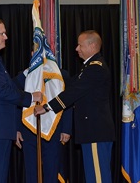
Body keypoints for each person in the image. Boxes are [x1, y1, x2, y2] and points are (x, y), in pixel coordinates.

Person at [34, 30, 115, 183]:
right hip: (92, 132)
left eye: (80, 45)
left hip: (96, 131)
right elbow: (71, 84)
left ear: (91, 46)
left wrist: (46, 107)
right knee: (93, 176)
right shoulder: (89, 67)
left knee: (98, 178)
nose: (77, 49)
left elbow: (73, 92)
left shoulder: (96, 68)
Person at [0, 18, 42, 183]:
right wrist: (31, 97)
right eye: (1, 33)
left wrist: (28, 72)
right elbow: (3, 91)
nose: (6, 37)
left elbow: (6, 87)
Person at [14, 58, 73, 183]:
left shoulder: (61, 75)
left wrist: (66, 129)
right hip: (28, 129)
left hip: (54, 129)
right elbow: (16, 102)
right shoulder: (24, 75)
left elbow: (67, 101)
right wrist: (16, 129)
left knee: (52, 169)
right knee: (31, 170)